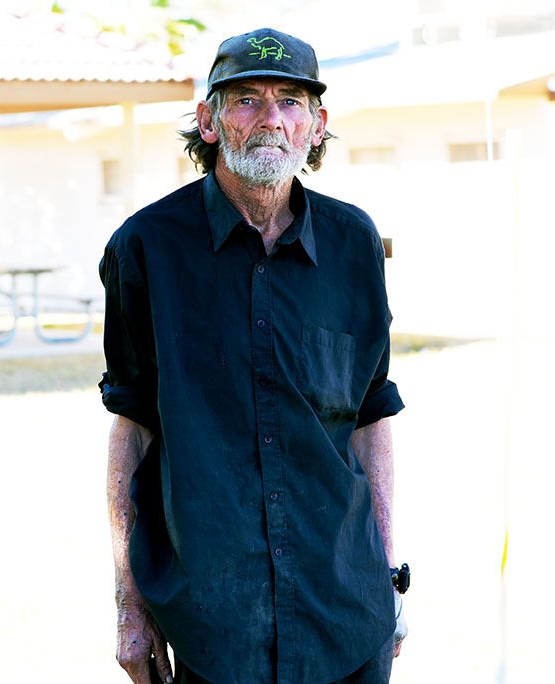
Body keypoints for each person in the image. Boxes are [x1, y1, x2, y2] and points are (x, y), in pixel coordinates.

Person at [99, 28, 408, 684]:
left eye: (292, 101)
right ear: (208, 121)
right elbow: (131, 427)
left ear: (317, 126)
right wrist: (129, 604)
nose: (272, 118)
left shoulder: (354, 243)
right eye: (245, 100)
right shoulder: (145, 249)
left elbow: (372, 416)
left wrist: (386, 577)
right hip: (215, 623)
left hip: (345, 612)